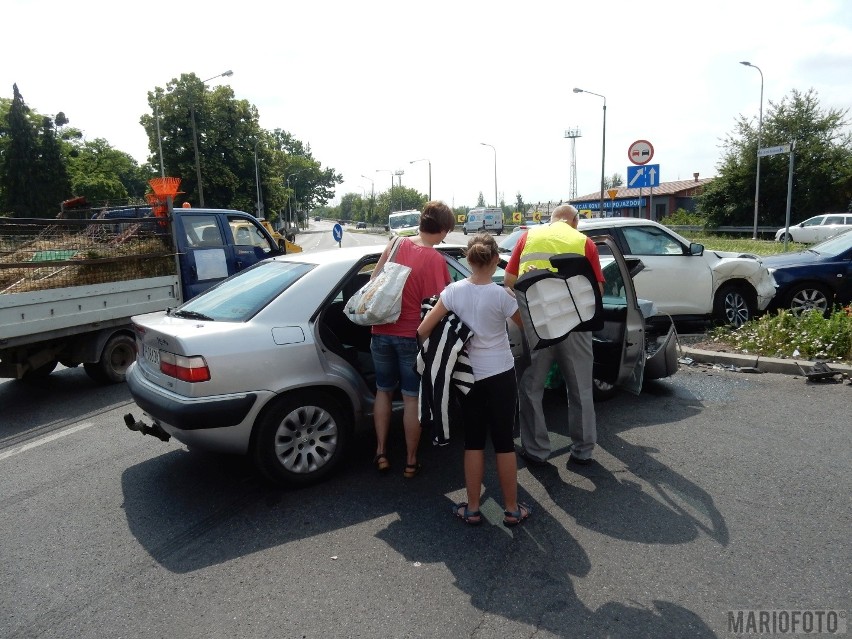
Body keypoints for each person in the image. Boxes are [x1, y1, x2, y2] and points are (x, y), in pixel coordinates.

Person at [418, 233, 531, 527]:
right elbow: (529, 329)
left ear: (468, 259)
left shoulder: (452, 292)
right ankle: (511, 509)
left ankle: (472, 508)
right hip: (502, 374)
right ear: (495, 260)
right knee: (505, 442)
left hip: (468, 377)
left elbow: (423, 329)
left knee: (473, 442)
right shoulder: (501, 296)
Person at [504, 204, 605, 467]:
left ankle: (536, 450)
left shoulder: (528, 237)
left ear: (551, 220)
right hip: (576, 328)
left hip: (539, 328)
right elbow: (598, 292)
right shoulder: (584, 242)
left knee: (531, 388)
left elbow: (509, 281)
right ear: (574, 221)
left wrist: (532, 311)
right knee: (580, 389)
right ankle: (582, 451)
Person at [371, 201, 456, 478]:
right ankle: (410, 461)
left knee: (383, 391)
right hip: (411, 336)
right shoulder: (434, 259)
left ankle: (381, 452)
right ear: (442, 230)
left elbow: (374, 281)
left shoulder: (396, 243)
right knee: (411, 400)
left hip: (381, 331)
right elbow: (441, 304)